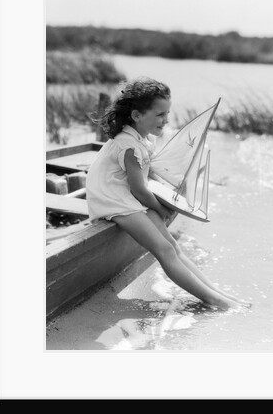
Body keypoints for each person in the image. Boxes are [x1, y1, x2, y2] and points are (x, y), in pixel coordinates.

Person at [86, 76, 247, 310]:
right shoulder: (129, 146)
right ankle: (214, 300)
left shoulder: (140, 139)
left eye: (167, 114)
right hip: (113, 200)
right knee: (163, 250)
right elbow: (139, 189)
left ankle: (216, 292)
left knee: (172, 245)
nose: (166, 120)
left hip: (125, 196)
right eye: (160, 114)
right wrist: (161, 209)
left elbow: (147, 179)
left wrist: (172, 197)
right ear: (137, 116)